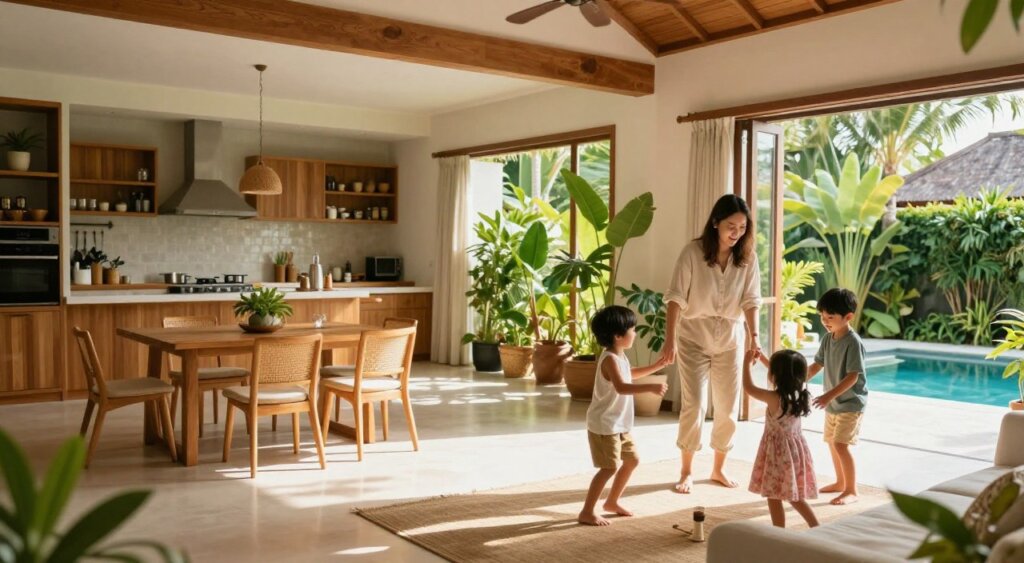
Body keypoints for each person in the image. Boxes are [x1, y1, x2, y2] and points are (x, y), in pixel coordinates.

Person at [660, 194, 762, 494]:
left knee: (728, 408)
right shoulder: (692, 252)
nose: (736, 233)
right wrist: (669, 340)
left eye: (743, 227)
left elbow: (751, 300)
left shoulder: (748, 258)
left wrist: (755, 337)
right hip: (693, 337)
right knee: (694, 405)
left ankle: (718, 468)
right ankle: (687, 471)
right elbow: (675, 298)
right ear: (715, 222)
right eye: (731, 226)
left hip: (731, 340)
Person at [579, 305, 670, 526]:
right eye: (632, 329)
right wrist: (650, 388)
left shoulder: (620, 356)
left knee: (632, 460)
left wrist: (655, 366)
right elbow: (621, 386)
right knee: (609, 467)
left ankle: (612, 501)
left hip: (619, 423)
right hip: (605, 425)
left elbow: (629, 375)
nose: (635, 333)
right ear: (618, 336)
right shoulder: (609, 359)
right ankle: (587, 511)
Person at [744, 348, 820, 528]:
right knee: (794, 497)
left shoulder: (774, 398)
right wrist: (762, 358)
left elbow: (749, 388)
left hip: (778, 456)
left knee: (774, 494)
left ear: (775, 375)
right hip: (794, 453)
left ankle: (779, 531)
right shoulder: (800, 395)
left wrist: (746, 365)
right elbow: (786, 373)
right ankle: (816, 526)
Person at [807, 288, 868, 505]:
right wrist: (798, 378)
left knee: (841, 444)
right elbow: (816, 365)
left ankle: (852, 490)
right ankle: (840, 483)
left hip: (850, 403)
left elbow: (853, 377)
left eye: (830, 317)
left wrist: (826, 396)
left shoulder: (853, 342)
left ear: (848, 317)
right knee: (832, 443)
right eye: (822, 316)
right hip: (833, 403)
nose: (825, 321)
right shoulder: (827, 339)